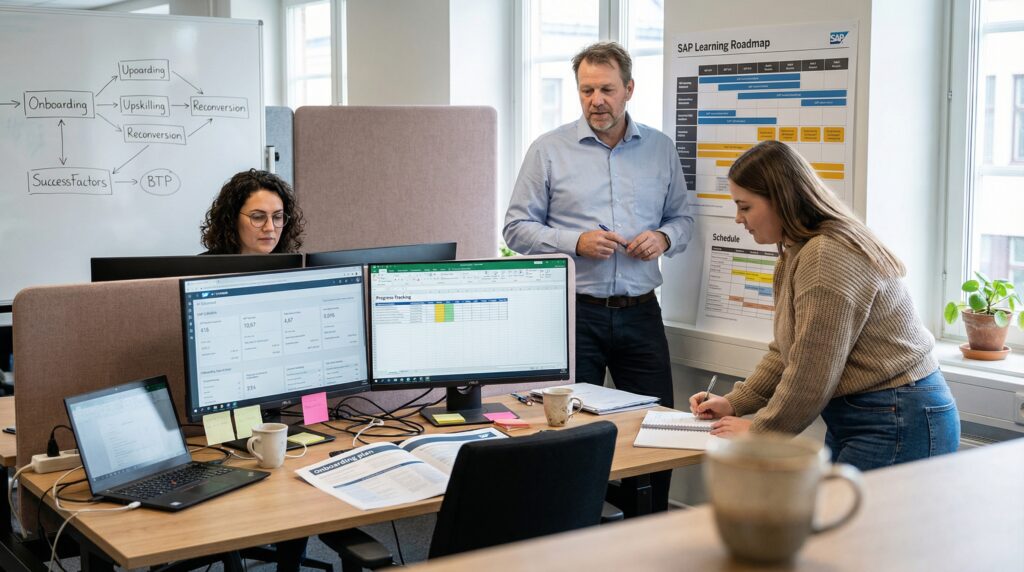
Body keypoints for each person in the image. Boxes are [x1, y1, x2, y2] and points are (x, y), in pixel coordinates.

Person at [688, 140, 959, 471]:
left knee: (853, 521)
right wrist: (733, 402)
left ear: (781, 200)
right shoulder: (798, 251)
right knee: (837, 517)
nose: (738, 219)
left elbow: (813, 369)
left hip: (897, 414)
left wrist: (761, 431)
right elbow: (788, 352)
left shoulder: (825, 254)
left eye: (745, 207)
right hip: (875, 414)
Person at [504, 42, 694, 511]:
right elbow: (514, 229)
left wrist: (665, 239)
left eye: (606, 89)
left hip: (641, 315)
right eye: (586, 90)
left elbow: (684, 219)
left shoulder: (659, 149)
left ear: (629, 89)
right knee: (568, 437)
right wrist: (575, 242)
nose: (596, 100)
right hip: (576, 317)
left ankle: (649, 531)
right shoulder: (548, 150)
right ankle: (570, 539)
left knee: (657, 432)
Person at [200, 169, 305, 254]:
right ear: (232, 218)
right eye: (258, 217)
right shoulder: (199, 270)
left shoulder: (292, 267)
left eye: (277, 217)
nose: (270, 228)